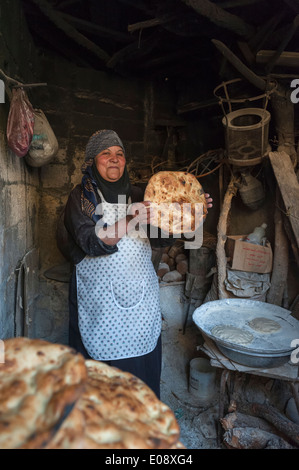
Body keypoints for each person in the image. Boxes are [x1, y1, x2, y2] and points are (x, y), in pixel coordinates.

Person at [61, 129, 212, 399]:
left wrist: (189, 211)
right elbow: (91, 242)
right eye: (105, 153)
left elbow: (159, 238)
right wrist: (129, 219)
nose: (114, 159)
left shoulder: (140, 193)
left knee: (140, 371)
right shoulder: (82, 198)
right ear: (92, 161)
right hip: (100, 301)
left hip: (140, 301)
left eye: (119, 154)